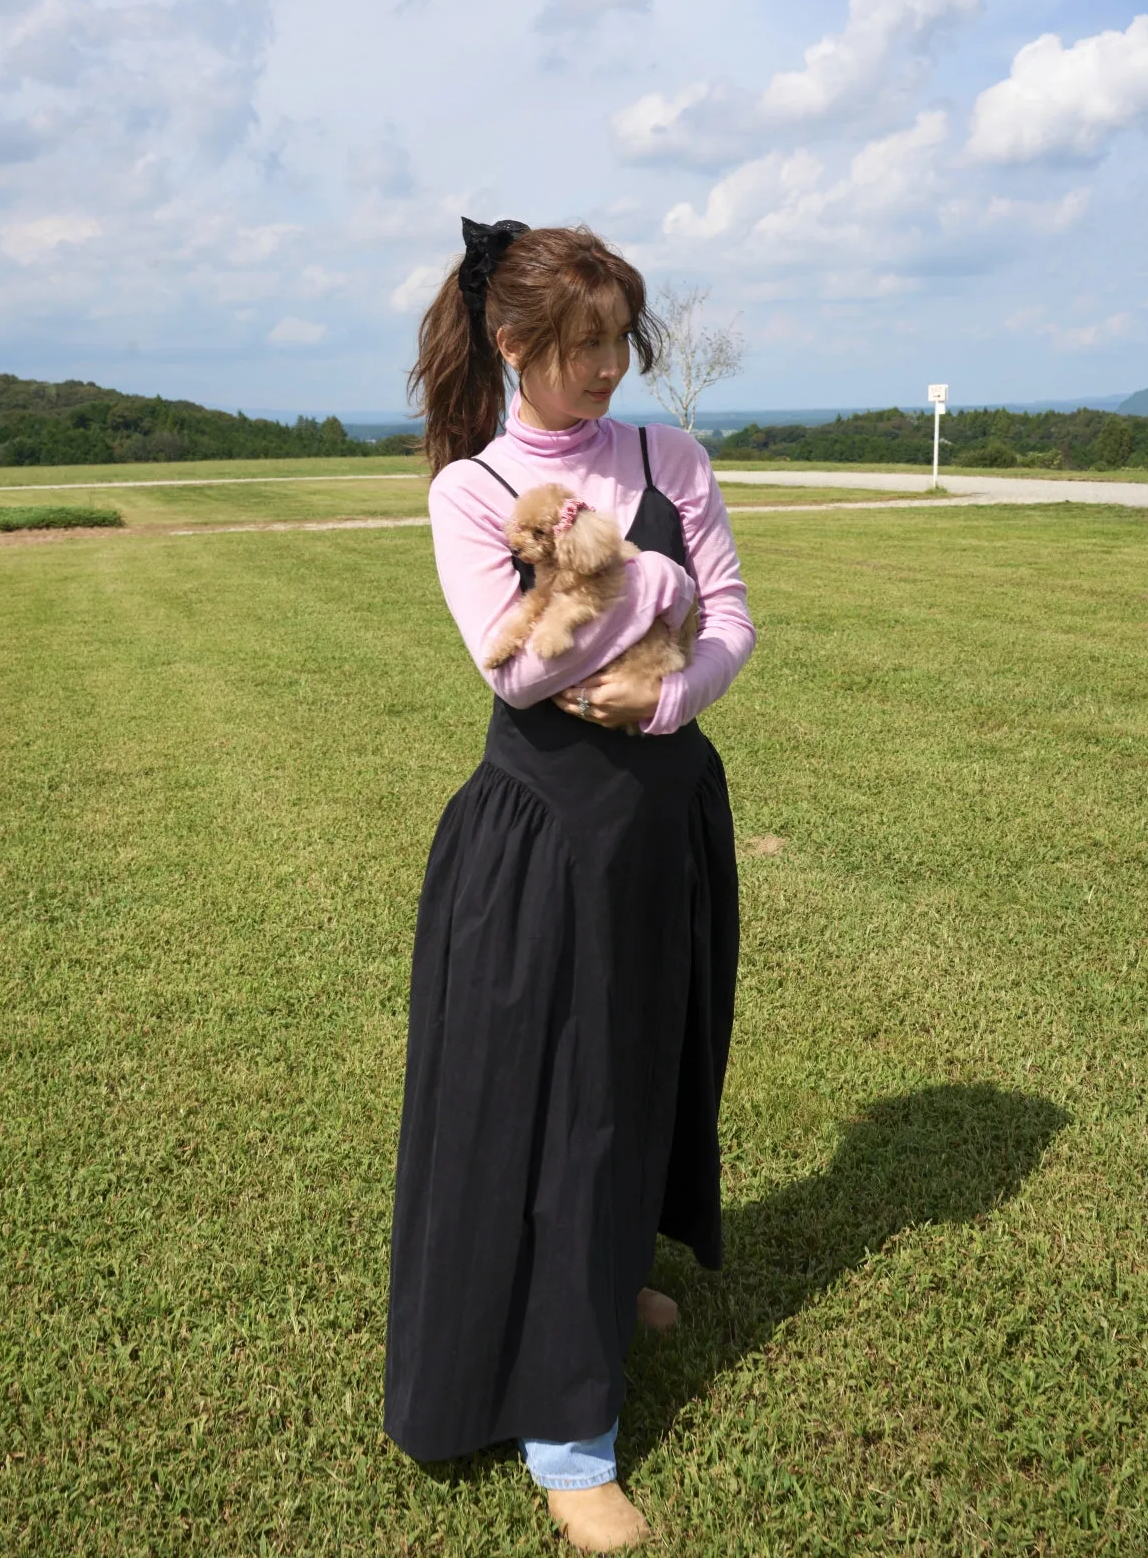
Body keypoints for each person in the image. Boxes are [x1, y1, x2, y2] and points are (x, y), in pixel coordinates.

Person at [383, 217, 756, 1552]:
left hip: (661, 814)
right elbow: (517, 668)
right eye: (578, 347)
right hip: (541, 837)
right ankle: (566, 1434)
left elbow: (734, 617)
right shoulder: (474, 489)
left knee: (645, 1076)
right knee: (554, 1109)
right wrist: (651, 580)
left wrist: (670, 704)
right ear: (512, 343)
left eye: (617, 345)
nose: (604, 372)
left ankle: (605, 1286)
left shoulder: (669, 455)